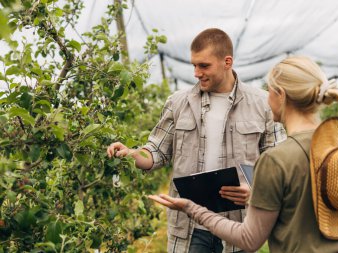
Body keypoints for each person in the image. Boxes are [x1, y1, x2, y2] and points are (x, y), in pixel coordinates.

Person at [149, 55, 338, 253]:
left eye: (269, 91)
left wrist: (191, 208)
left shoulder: (276, 160)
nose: (267, 98)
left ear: (281, 95)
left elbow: (249, 240)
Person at [107, 28, 286, 253]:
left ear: (227, 62)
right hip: (191, 227)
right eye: (194, 65)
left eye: (204, 65)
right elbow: (157, 151)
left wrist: (255, 189)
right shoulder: (178, 103)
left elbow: (278, 164)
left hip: (238, 226)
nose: (196, 73)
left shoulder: (262, 104)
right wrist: (132, 154)